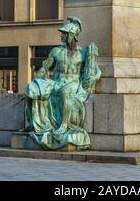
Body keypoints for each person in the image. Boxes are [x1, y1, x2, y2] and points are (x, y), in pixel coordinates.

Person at [24, 17, 101, 150]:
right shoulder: (56, 51)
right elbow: (45, 68)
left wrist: (95, 77)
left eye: (64, 33)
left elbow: (96, 70)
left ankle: (64, 125)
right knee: (31, 88)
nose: (62, 35)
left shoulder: (83, 54)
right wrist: (38, 77)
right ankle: (34, 122)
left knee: (66, 92)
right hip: (56, 83)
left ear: (72, 35)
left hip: (73, 83)